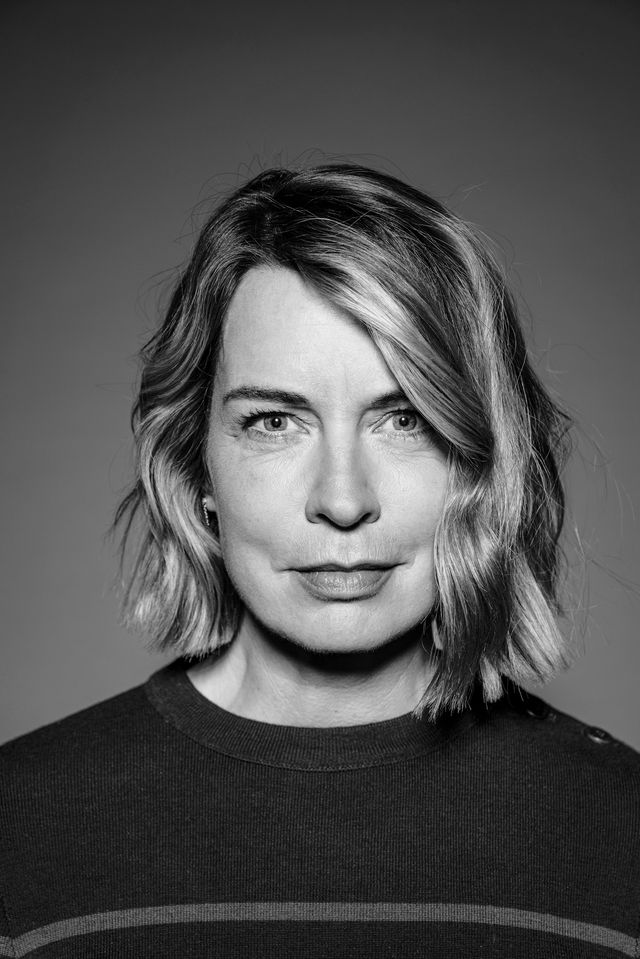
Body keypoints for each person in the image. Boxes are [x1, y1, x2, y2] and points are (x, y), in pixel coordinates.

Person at [1, 164, 638, 959]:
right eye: (275, 421)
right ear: (197, 468)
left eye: (406, 419)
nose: (342, 499)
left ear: (482, 463)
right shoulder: (20, 828)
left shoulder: (621, 834)